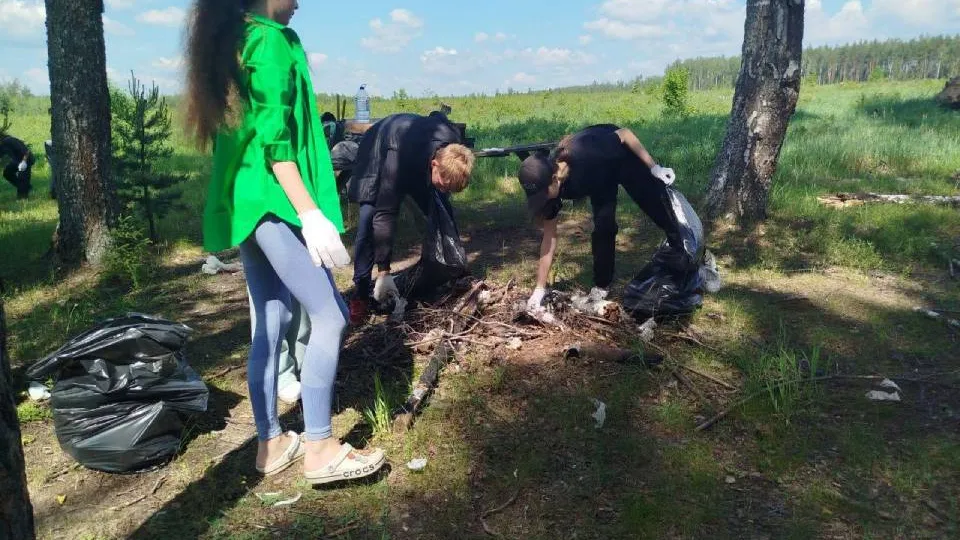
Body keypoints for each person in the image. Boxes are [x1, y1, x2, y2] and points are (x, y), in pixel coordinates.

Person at [184, 0, 385, 485]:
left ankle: (271, 443)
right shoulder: (271, 42)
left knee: (270, 322)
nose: (299, 3)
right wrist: (311, 213)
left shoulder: (241, 36)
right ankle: (318, 447)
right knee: (331, 315)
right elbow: (277, 142)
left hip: (247, 201)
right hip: (274, 202)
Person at [518, 124, 678, 311]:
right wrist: (539, 288)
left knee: (658, 209)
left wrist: (654, 167)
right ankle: (602, 285)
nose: (541, 200)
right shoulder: (546, 188)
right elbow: (549, 237)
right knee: (604, 227)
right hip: (599, 180)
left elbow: (624, 134)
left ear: (554, 179)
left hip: (621, 158)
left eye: (542, 195)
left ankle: (693, 255)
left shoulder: (587, 153)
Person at [346, 112, 475, 325]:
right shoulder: (400, 158)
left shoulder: (453, 142)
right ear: (434, 164)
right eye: (444, 183)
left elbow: (437, 116)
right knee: (369, 220)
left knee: (441, 206)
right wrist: (384, 271)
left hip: (416, 155)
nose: (446, 189)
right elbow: (386, 213)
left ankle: (454, 265)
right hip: (379, 148)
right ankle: (360, 294)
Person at [1, 134, 34, 199]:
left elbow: (26, 151)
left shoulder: (9, 141)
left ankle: (23, 197)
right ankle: (26, 187)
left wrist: (24, 162)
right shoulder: (2, 145)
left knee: (22, 177)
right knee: (7, 173)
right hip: (17, 161)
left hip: (27, 159)